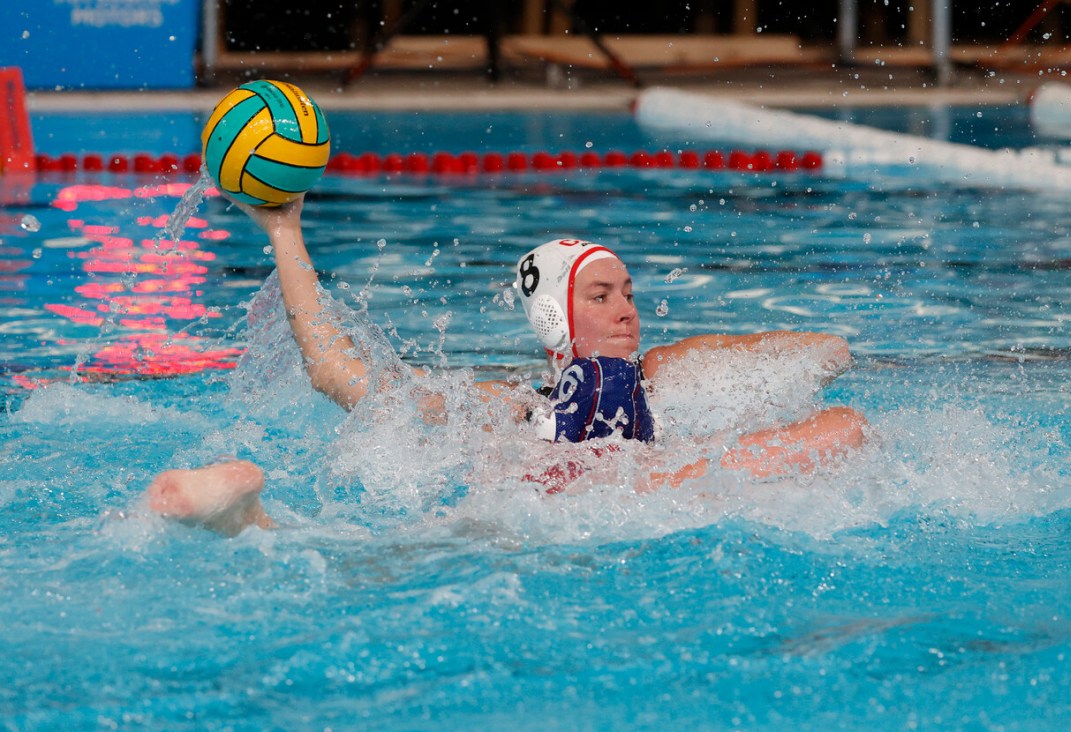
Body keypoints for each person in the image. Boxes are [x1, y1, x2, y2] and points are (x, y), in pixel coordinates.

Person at [146, 198, 866, 535]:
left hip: (635, 505)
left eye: (630, 295)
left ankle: (244, 521)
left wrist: (701, 362)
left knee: (847, 429)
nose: (627, 310)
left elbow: (827, 356)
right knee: (375, 557)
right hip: (519, 527)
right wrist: (284, 230)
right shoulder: (510, 406)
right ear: (557, 319)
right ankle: (245, 514)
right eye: (601, 294)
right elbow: (341, 376)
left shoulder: (658, 382)